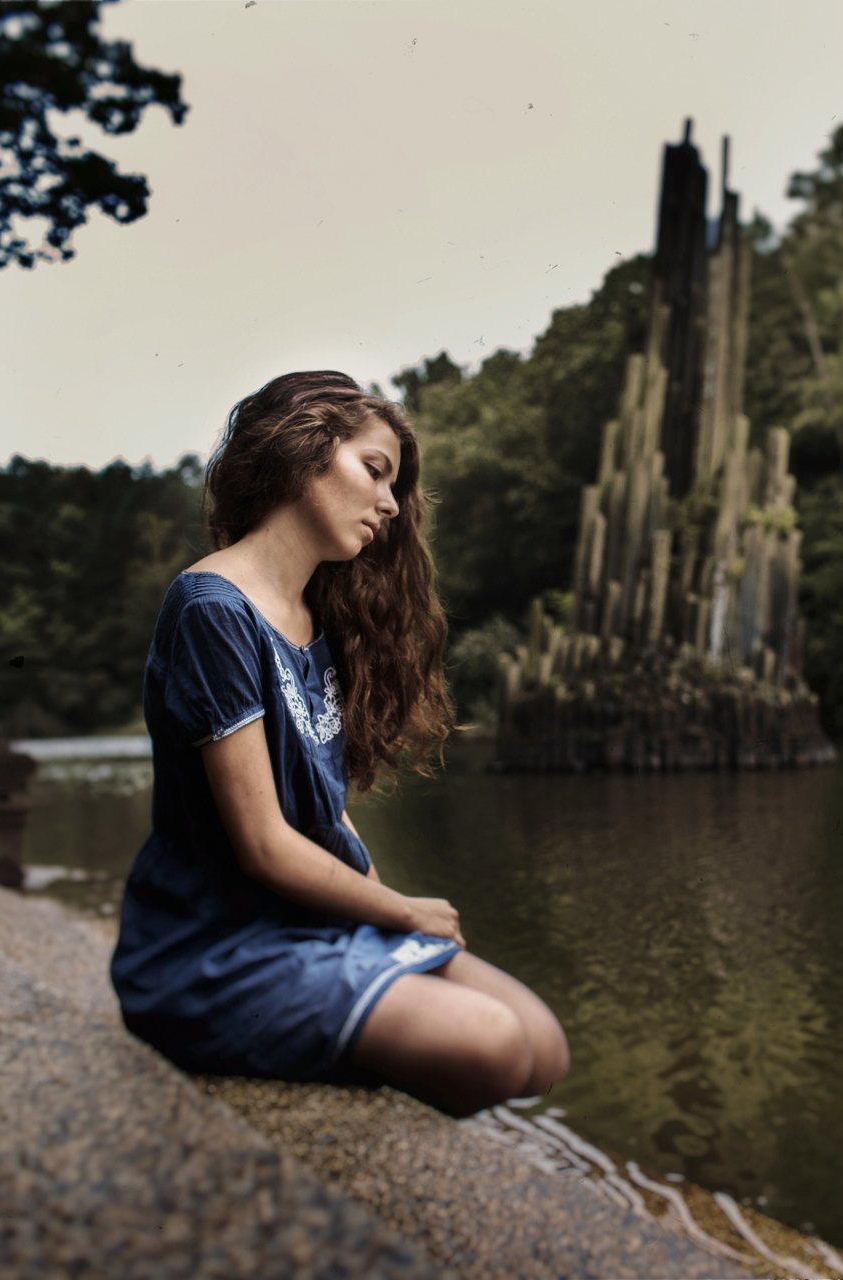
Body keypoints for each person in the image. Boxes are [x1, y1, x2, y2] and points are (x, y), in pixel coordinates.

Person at [111, 370, 569, 1118]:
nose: (390, 505)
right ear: (305, 451)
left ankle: (357, 1039)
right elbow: (262, 844)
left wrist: (382, 913)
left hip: (307, 927)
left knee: (541, 1050)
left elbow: (326, 817)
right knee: (490, 1045)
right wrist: (401, 914)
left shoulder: (312, 618)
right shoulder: (211, 610)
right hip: (212, 952)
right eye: (375, 471)